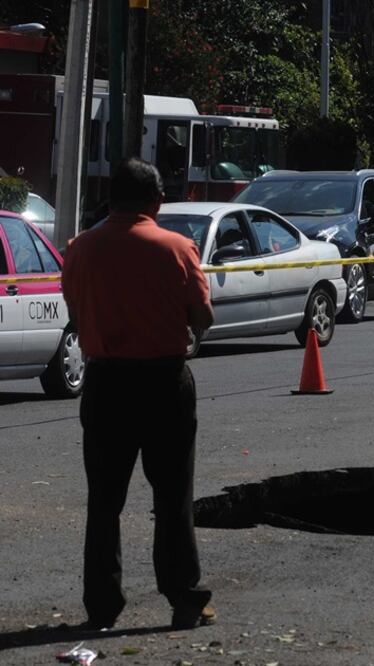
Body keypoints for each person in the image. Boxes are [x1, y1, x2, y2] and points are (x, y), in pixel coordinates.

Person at [62, 158, 216, 631]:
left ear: (111, 199)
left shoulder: (80, 249)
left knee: (104, 500)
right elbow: (202, 317)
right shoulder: (178, 248)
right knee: (172, 496)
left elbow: (75, 309)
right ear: (157, 201)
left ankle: (102, 605)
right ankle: (184, 597)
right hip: (164, 381)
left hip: (106, 383)